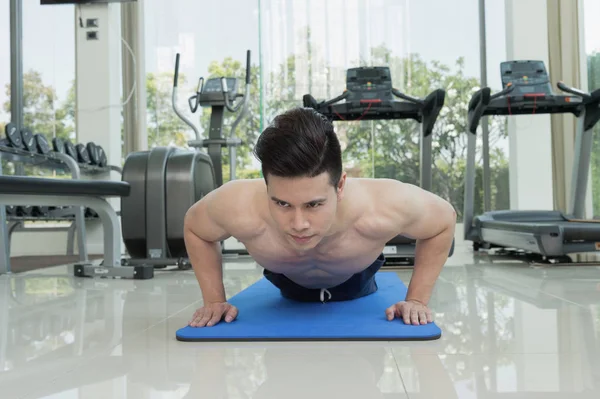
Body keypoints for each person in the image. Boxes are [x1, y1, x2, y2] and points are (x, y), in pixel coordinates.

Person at [184, 107, 456, 328]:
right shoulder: (237, 205)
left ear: (340, 186)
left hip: (357, 279)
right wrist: (214, 300)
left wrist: (417, 300)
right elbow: (195, 228)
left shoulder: (384, 205)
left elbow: (443, 220)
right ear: (266, 186)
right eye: (282, 203)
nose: (298, 223)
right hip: (286, 284)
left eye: (314, 204)